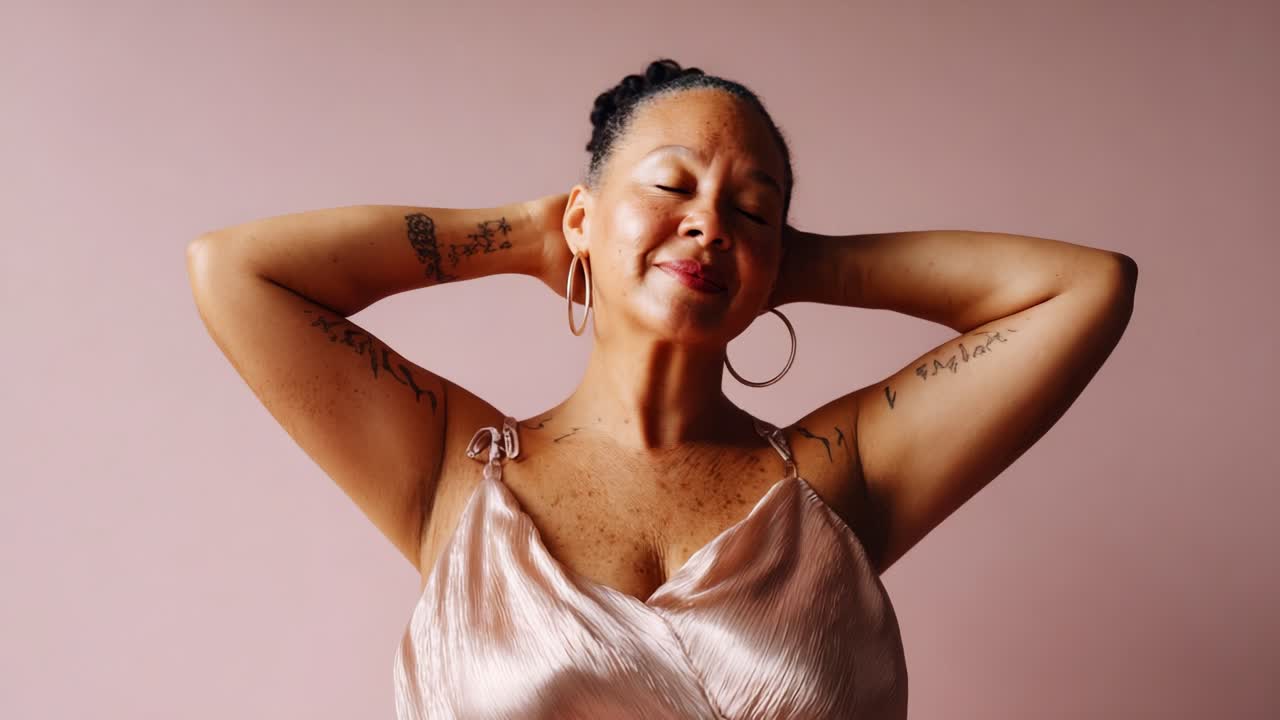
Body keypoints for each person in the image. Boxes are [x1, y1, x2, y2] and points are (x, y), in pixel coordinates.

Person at [186, 58, 1137, 719]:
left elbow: (1085, 287)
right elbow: (235, 272)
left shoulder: (839, 479)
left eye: (749, 207)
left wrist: (788, 262)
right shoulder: (452, 468)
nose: (708, 223)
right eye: (672, 187)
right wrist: (535, 231)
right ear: (583, 217)